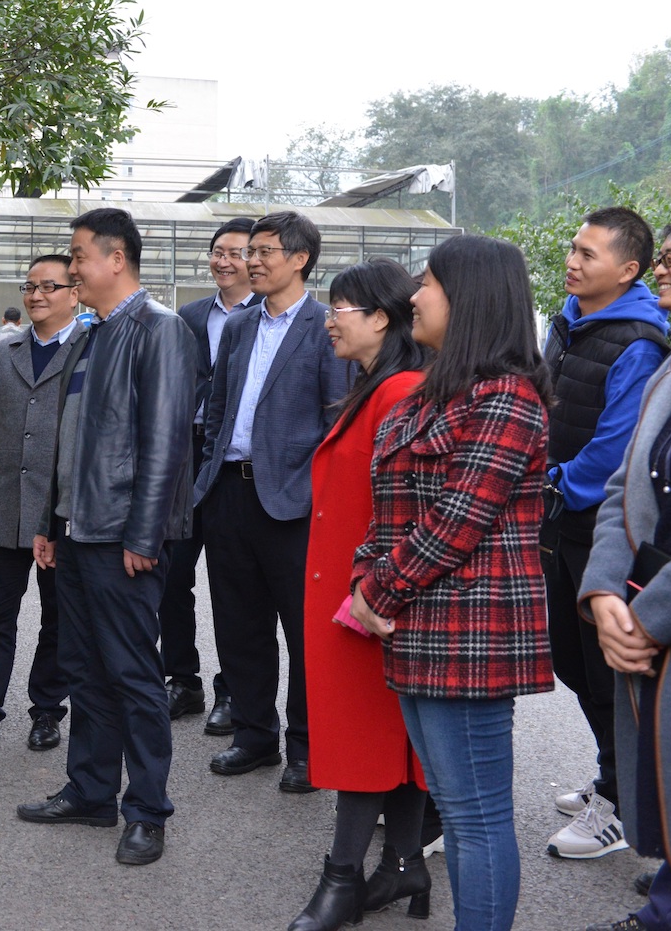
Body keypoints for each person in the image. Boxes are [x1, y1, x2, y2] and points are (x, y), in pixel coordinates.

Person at [350, 234, 554, 931]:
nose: (414, 295)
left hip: (469, 632)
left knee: (475, 816)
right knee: (460, 805)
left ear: (469, 298)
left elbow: (456, 521)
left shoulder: (506, 398)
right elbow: (387, 510)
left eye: (429, 282)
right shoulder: (433, 393)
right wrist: (365, 579)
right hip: (417, 626)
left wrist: (376, 592)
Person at [16, 208, 195, 868]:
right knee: (84, 669)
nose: (72, 269)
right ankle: (91, 791)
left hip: (124, 536)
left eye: (79, 256)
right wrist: (50, 523)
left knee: (133, 675)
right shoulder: (92, 335)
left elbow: (167, 443)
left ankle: (147, 811)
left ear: (116, 259)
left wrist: (144, 534)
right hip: (78, 530)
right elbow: (70, 441)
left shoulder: (160, 330)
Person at [288, 260, 430, 931]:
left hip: (369, 601)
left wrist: (376, 591)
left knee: (366, 739)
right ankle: (404, 864)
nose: (328, 320)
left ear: (380, 317)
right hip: (359, 597)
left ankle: (342, 877)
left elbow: (405, 508)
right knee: (388, 738)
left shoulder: (399, 390)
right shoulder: (380, 385)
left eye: (340, 307)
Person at [193, 210, 351, 793]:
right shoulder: (238, 326)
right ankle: (254, 736)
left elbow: (336, 422)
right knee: (239, 625)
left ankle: (306, 748)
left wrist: (313, 494)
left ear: (300, 259)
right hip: (229, 494)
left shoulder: (325, 327)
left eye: (263, 252)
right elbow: (217, 411)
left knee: (304, 631)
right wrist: (208, 478)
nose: (250, 261)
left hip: (293, 503)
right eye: (249, 252)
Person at [543, 207, 668, 860]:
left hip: (602, 527)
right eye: (573, 248)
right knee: (571, 659)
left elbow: (616, 451)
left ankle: (621, 802)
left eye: (588, 255)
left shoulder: (640, 342)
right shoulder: (569, 321)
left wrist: (551, 482)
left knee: (604, 670)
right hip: (562, 520)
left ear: (627, 270)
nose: (572, 261)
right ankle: (611, 774)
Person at [577, 219, 671, 931]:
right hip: (642, 604)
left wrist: (648, 616)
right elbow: (623, 485)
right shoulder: (670, 368)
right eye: (664, 256)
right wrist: (606, 589)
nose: (663, 269)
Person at [0, 256, 80, 750]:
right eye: (29, 286)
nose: (36, 295)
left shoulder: (90, 350)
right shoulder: (5, 351)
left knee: (59, 619)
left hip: (61, 513)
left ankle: (47, 711)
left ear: (75, 293)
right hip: (4, 506)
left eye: (49, 286)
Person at [163, 216, 259, 732]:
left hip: (235, 460)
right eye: (217, 251)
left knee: (232, 583)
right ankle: (183, 680)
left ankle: (232, 689)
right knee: (171, 573)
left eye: (235, 252)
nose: (223, 261)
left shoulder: (267, 315)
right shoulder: (190, 315)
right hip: (188, 453)